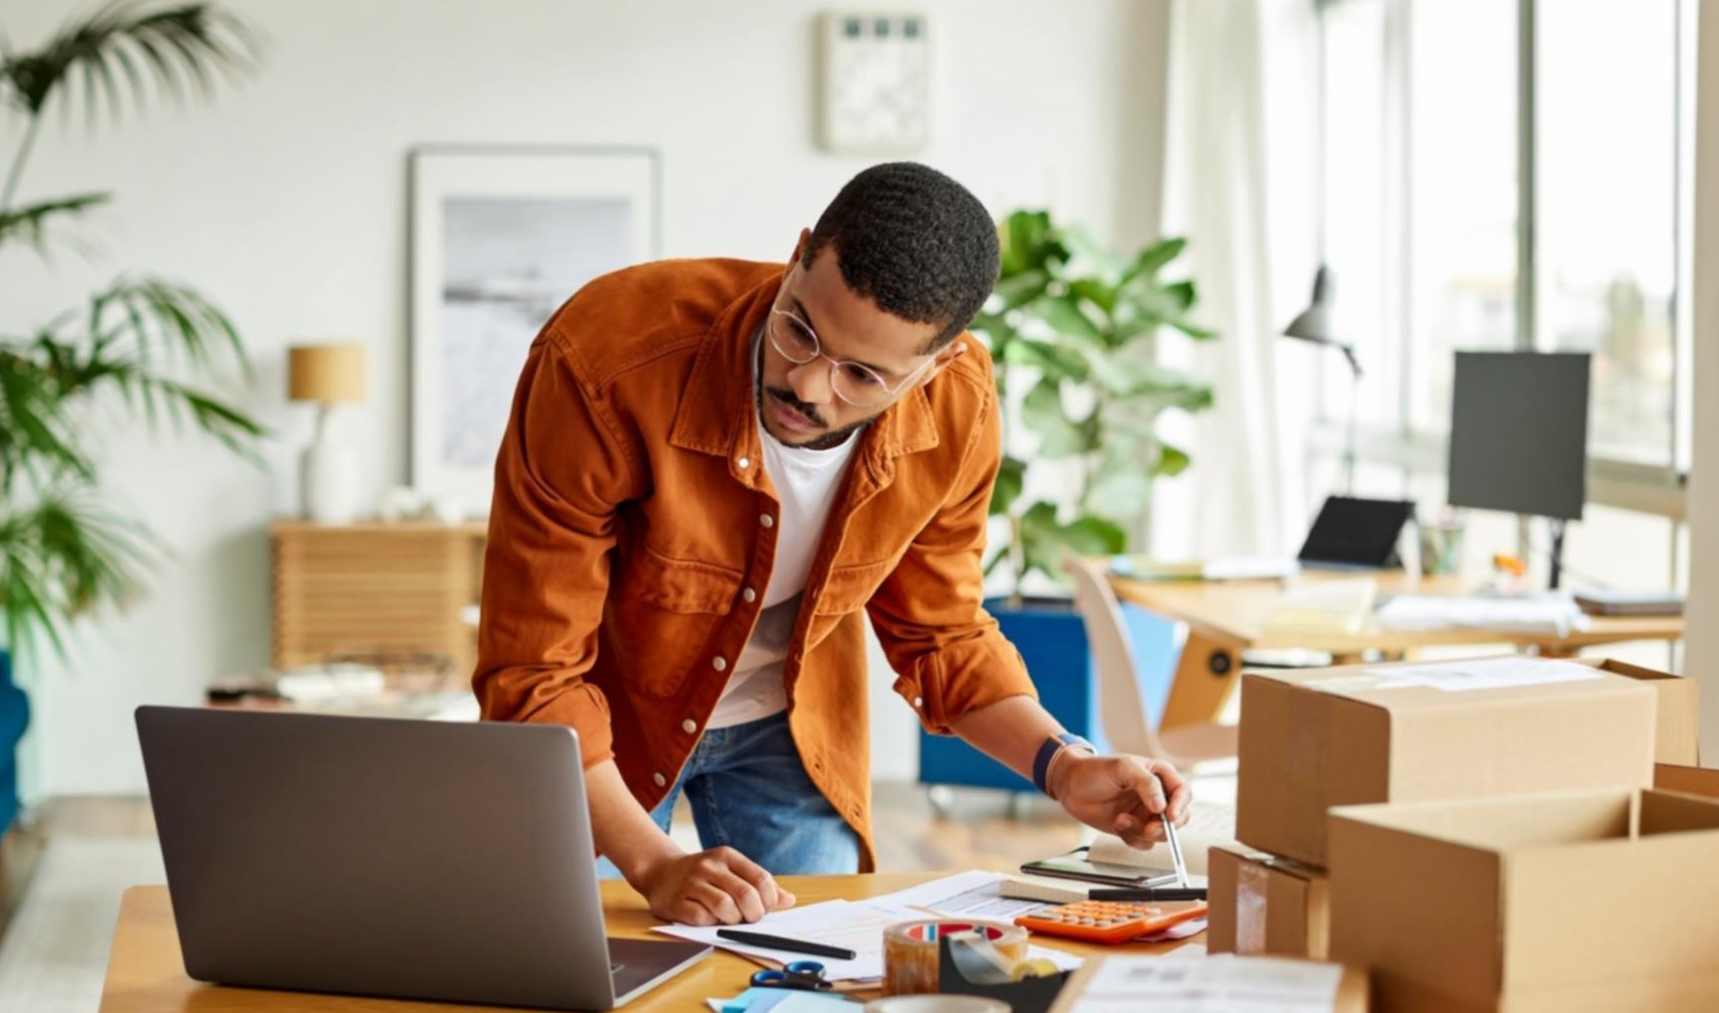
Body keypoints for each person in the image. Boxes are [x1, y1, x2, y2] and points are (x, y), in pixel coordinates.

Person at [475, 161, 1191, 926]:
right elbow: (532, 672)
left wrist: (1064, 766)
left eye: (861, 374)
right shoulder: (606, 361)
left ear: (936, 365)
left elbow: (942, 633)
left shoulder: (958, 405)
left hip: (795, 727)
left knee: (805, 975)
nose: (810, 386)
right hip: (601, 735)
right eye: (799, 331)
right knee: (569, 971)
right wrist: (654, 864)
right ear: (800, 254)